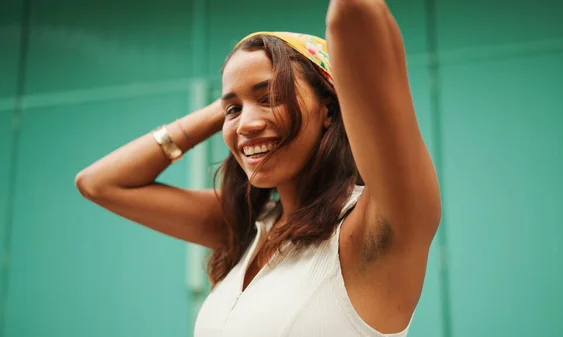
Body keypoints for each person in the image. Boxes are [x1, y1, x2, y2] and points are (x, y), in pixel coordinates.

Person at [75, 1, 441, 336]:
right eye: (233, 110)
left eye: (270, 97)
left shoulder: (372, 231)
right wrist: (230, 105)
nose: (246, 123)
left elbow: (355, 16)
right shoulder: (250, 226)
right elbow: (97, 183)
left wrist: (240, 102)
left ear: (328, 109)